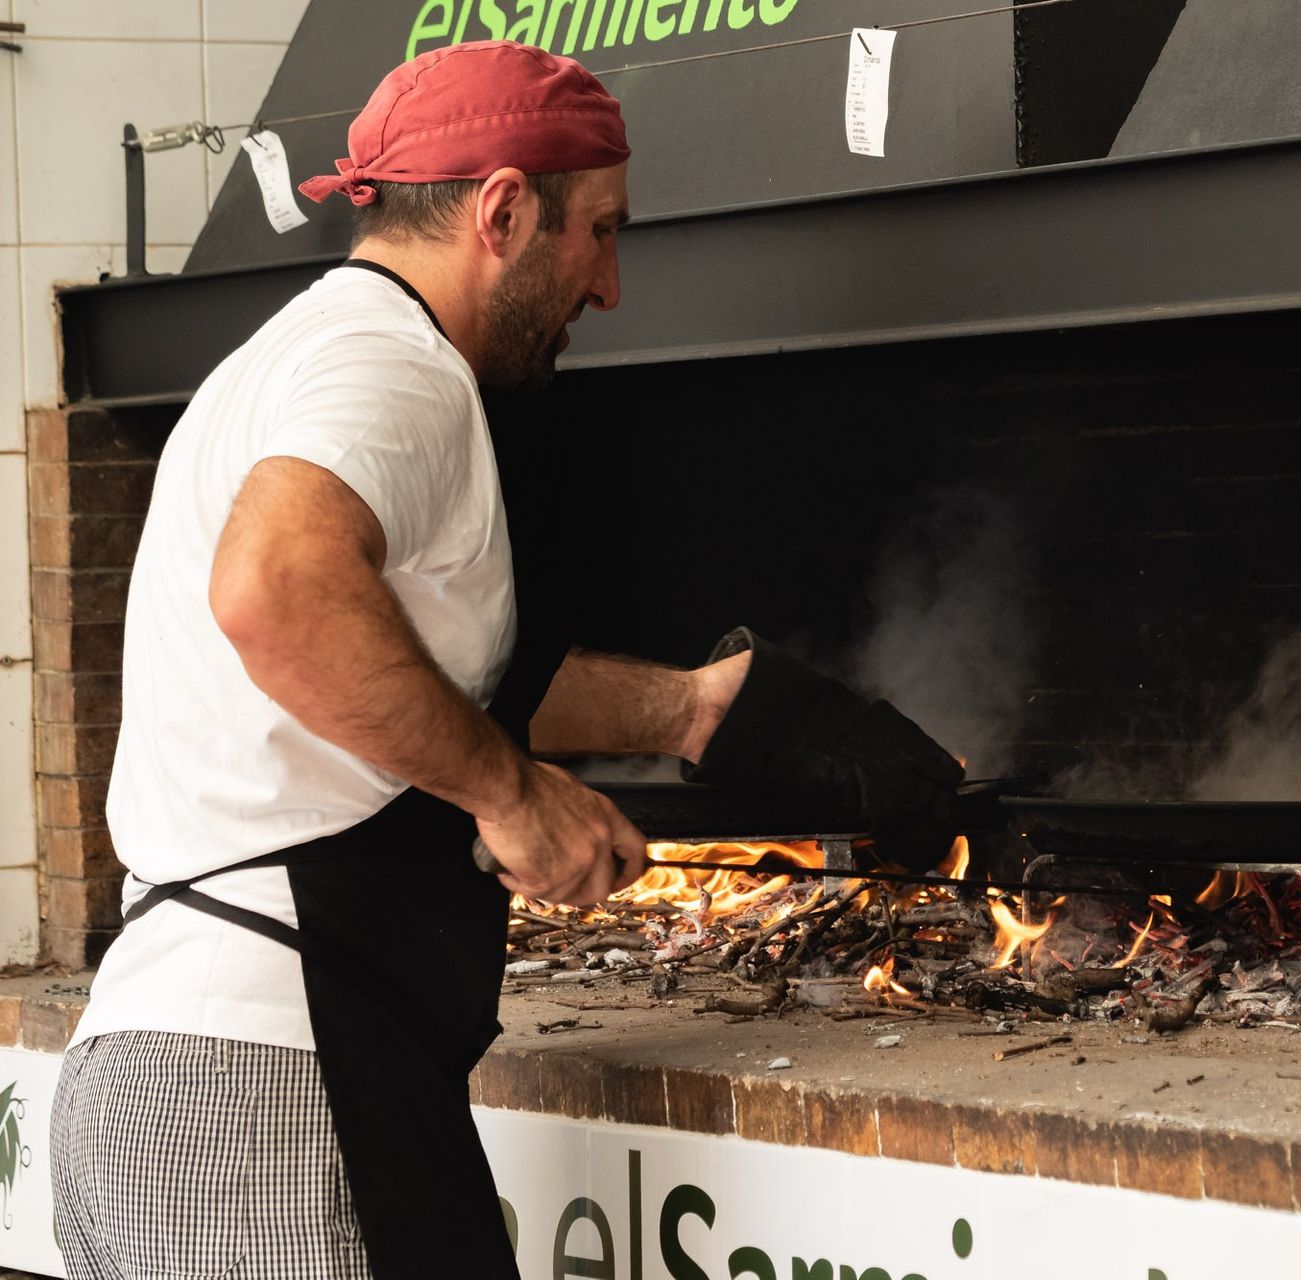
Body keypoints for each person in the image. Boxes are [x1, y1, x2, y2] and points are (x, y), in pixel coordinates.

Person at [49, 40, 958, 1279]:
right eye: (600, 232)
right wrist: (510, 792)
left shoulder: (292, 357)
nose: (611, 281)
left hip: (178, 1069)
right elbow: (278, 589)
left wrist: (693, 708)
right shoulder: (396, 368)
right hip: (275, 1085)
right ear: (504, 208)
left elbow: (390, 661)